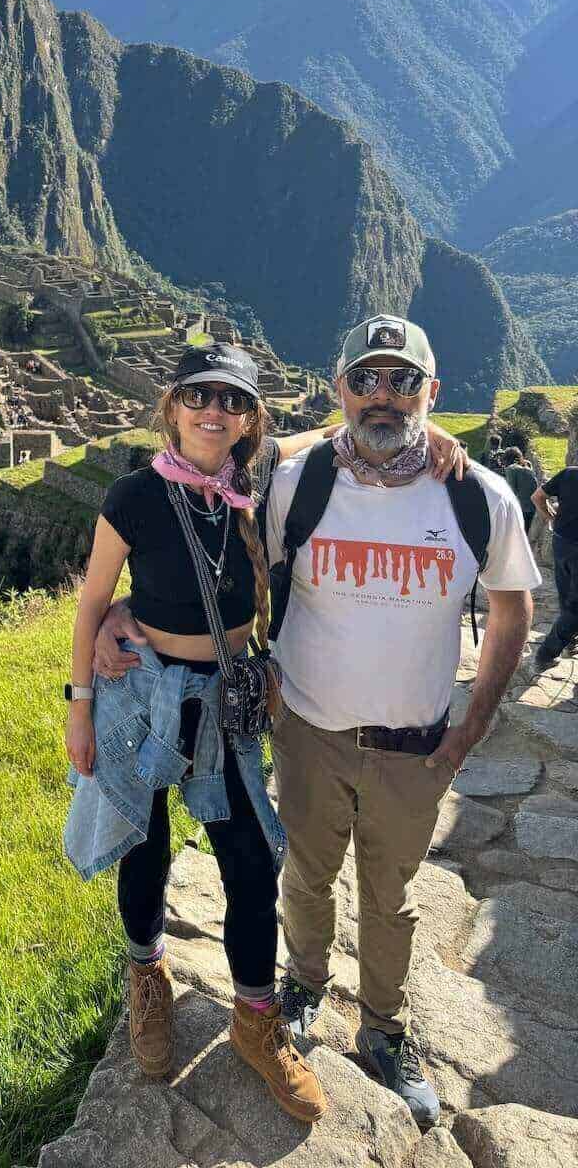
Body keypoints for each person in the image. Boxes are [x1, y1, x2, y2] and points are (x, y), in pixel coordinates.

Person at [263, 316, 537, 1127]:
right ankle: (305, 984)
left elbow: (513, 610)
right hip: (309, 730)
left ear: (432, 392)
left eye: (403, 381)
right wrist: (112, 620)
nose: (384, 398)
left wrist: (470, 730)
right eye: (367, 380)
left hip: (416, 747)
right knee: (307, 873)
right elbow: (226, 544)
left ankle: (384, 1027)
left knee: (392, 894)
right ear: (339, 387)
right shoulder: (298, 483)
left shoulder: (477, 496)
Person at [62, 344, 326, 1122]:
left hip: (225, 699)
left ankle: (255, 1020)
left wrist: (436, 435)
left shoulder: (253, 482)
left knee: (249, 860)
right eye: (199, 396)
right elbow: (91, 602)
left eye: (233, 401)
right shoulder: (135, 495)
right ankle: (148, 975)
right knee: (140, 846)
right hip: (141, 692)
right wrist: (78, 705)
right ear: (172, 406)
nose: (215, 411)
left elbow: (320, 438)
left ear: (249, 419)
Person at [529, 460, 578, 674]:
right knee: (575, 607)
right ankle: (546, 654)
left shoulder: (569, 474)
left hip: (561, 542)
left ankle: (569, 641)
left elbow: (537, 496)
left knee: (566, 594)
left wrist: (550, 517)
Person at [501, 448, 538, 535]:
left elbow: (511, 492)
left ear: (507, 459)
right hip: (531, 508)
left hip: (522, 508)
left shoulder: (511, 469)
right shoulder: (527, 466)